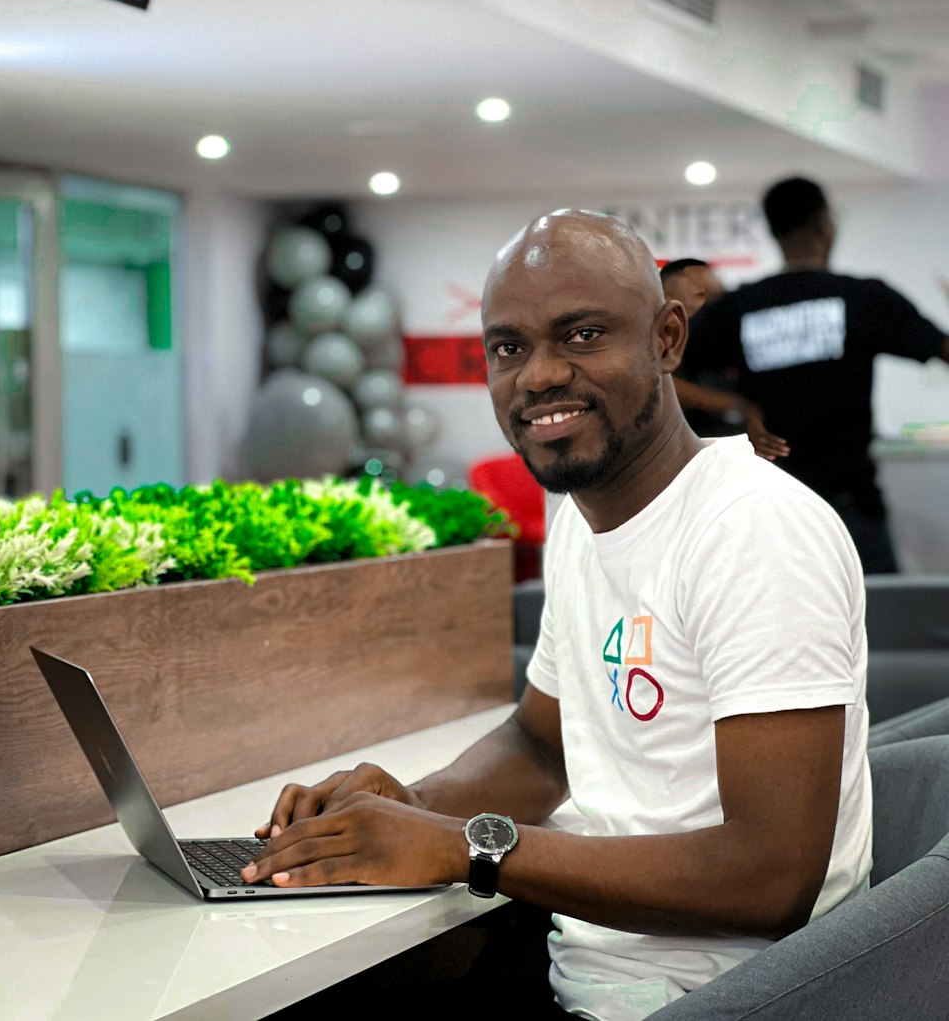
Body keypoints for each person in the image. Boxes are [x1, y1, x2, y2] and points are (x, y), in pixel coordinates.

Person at [240, 209, 871, 1020]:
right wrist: (413, 805)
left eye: (579, 335)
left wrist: (465, 847)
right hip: (587, 963)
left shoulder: (754, 529)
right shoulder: (584, 514)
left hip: (713, 999)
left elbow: (771, 875)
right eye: (509, 347)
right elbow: (542, 745)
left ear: (668, 338)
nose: (537, 375)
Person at [683, 177, 949, 574]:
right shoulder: (862, 298)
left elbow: (659, 371)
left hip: (767, 506)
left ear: (773, 232)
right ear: (826, 226)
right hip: (849, 506)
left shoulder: (738, 309)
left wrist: (735, 403)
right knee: (875, 625)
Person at [660, 257, 787, 457]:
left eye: (714, 297)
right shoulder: (662, 337)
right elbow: (665, 383)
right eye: (699, 295)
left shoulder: (734, 325)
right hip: (692, 444)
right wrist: (736, 405)